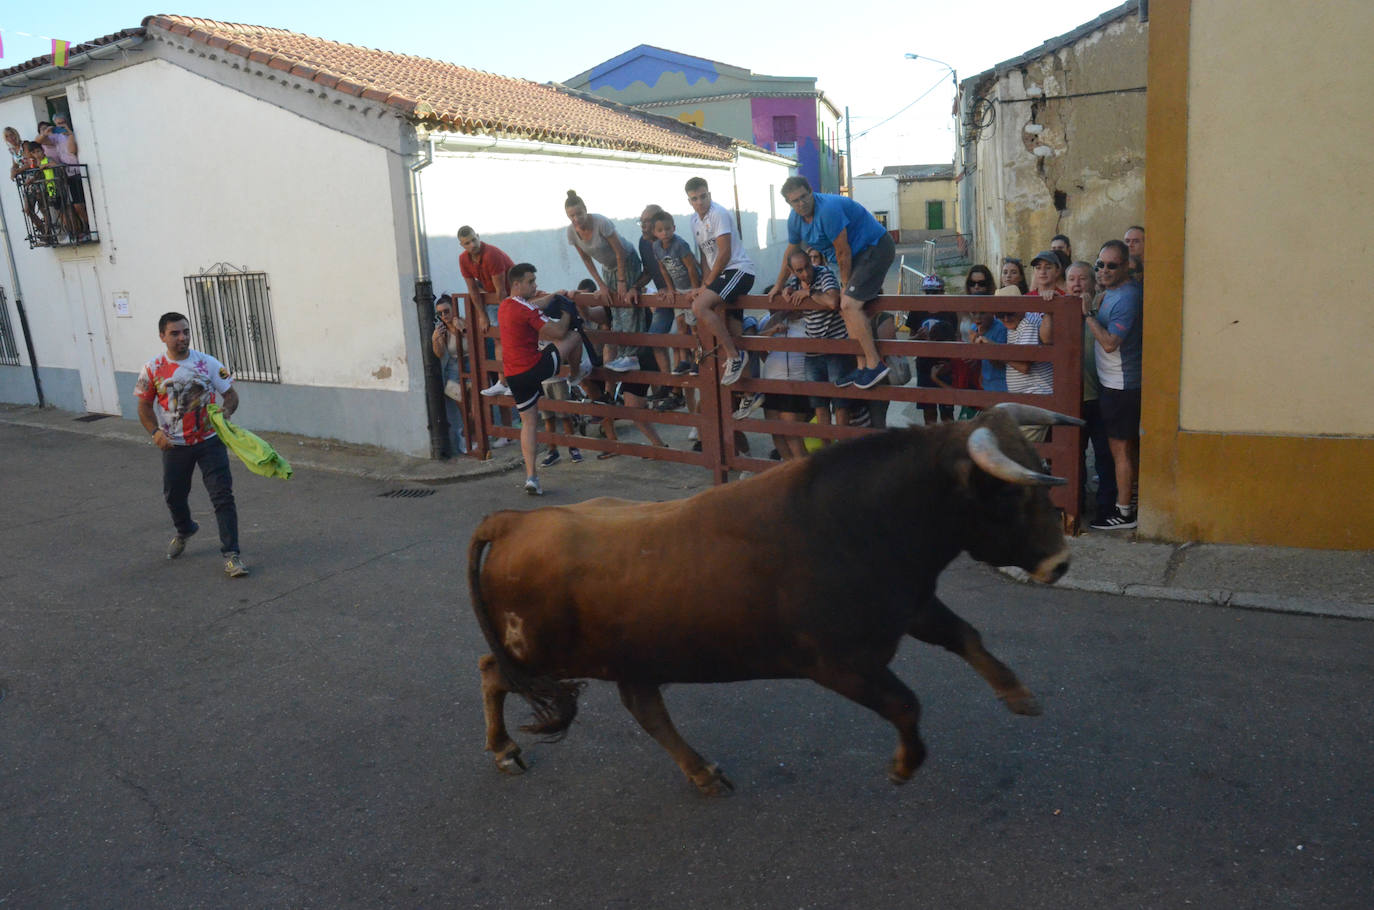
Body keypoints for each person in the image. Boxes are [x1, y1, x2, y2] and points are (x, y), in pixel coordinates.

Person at [134, 312, 249, 577]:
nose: (182, 337)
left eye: (185, 331)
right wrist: (154, 432)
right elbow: (143, 406)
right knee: (174, 496)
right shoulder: (152, 369)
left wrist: (226, 412)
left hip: (210, 442)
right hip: (174, 446)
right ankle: (185, 528)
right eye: (175, 333)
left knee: (222, 496)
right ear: (162, 336)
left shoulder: (207, 363)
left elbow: (230, 395)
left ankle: (232, 555)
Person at [769, 175, 896, 390]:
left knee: (848, 304)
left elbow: (842, 250)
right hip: (855, 257)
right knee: (843, 309)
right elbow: (790, 252)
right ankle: (861, 366)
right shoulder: (795, 219)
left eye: (803, 197)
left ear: (811, 192)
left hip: (875, 247)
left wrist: (845, 285)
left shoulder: (827, 210)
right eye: (795, 201)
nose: (801, 203)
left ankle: (875, 364)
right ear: (789, 203)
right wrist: (778, 285)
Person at [498, 263, 587, 495]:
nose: (535, 285)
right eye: (530, 281)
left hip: (514, 375)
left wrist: (553, 296)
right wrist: (568, 311)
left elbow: (533, 304)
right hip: (535, 367)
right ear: (516, 284)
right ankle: (577, 375)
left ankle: (531, 477)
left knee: (528, 423)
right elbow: (557, 332)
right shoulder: (525, 309)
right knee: (574, 336)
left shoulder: (505, 305)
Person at [1087, 239, 1144, 530]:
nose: (1104, 270)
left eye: (1112, 265)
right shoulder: (1114, 292)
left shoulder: (1127, 298)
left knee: (1120, 449)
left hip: (1121, 385)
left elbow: (1110, 343)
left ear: (1125, 266)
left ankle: (1123, 513)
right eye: (1100, 265)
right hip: (1114, 383)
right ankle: (1131, 501)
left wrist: (1086, 315)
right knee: (1126, 448)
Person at [682, 177, 756, 385]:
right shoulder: (694, 221)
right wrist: (703, 284)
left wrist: (706, 287)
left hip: (738, 271)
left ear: (709, 195)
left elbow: (724, 253)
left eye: (703, 196)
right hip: (722, 276)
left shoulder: (719, 213)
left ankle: (734, 356)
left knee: (699, 307)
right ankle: (748, 393)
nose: (700, 202)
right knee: (734, 330)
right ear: (689, 201)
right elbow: (708, 257)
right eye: (694, 198)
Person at [564, 190, 644, 372]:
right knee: (614, 307)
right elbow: (586, 259)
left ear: (586, 210)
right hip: (607, 268)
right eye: (571, 216)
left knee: (627, 305)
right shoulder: (571, 232)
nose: (576, 219)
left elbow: (620, 251)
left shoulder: (601, 223)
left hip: (626, 260)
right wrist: (601, 285)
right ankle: (623, 353)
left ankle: (632, 355)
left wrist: (623, 281)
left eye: (579, 214)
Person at [781, 247, 851, 441]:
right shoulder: (794, 281)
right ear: (793, 272)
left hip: (836, 347)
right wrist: (786, 292)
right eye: (799, 270)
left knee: (840, 404)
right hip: (813, 351)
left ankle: (841, 453)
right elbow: (788, 298)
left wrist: (808, 292)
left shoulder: (824, 273)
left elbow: (832, 301)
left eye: (807, 267)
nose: (805, 273)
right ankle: (827, 456)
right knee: (820, 405)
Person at [1067, 261, 1117, 523]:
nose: (1077, 284)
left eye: (1082, 279)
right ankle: (1074, 508)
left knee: (1104, 458)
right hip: (1070, 400)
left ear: (1093, 283)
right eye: (1072, 279)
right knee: (1072, 457)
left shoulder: (1103, 309)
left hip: (1099, 397)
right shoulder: (1060, 310)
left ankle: (1106, 509)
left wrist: (1090, 313)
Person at [457, 226, 515, 398]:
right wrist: (482, 316)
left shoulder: (491, 254)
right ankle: (502, 381)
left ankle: (515, 381)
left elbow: (502, 290)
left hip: (511, 296)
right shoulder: (463, 259)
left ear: (478, 236)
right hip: (491, 299)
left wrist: (505, 315)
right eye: (467, 242)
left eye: (474, 239)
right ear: (462, 245)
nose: (472, 244)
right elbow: (472, 289)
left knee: (510, 340)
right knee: (498, 340)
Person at [431, 294, 467, 455]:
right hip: (453, 369)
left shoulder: (464, 322)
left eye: (446, 311)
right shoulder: (443, 330)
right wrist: (435, 340)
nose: (444, 316)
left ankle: (473, 439)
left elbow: (476, 343)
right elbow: (439, 354)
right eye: (440, 313)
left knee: (473, 408)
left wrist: (462, 329)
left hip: (471, 366)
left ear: (454, 309)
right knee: (463, 407)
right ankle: (465, 441)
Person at [50, 114, 89, 238]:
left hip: (77, 173)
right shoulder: (55, 138)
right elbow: (39, 141)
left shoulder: (72, 134)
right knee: (74, 207)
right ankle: (82, 229)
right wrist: (47, 132)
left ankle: (89, 228)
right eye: (58, 124)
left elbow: (72, 151)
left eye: (63, 122)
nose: (60, 126)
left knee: (80, 205)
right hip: (66, 175)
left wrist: (69, 133)